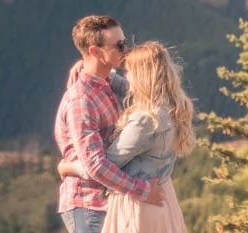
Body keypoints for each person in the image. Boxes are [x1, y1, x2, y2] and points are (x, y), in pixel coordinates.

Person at [58, 41, 194, 233]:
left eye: (129, 72)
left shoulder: (145, 121)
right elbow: (128, 90)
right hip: (163, 198)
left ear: (141, 77)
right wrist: (89, 66)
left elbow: (104, 165)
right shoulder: (172, 106)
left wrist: (68, 167)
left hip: (138, 205)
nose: (127, 77)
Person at [54, 15, 165, 233]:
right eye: (119, 45)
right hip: (89, 205)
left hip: (109, 201)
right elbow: (95, 165)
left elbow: (145, 96)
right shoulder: (81, 100)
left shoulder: (108, 84)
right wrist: (143, 191)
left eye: (126, 42)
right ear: (96, 52)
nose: (127, 50)